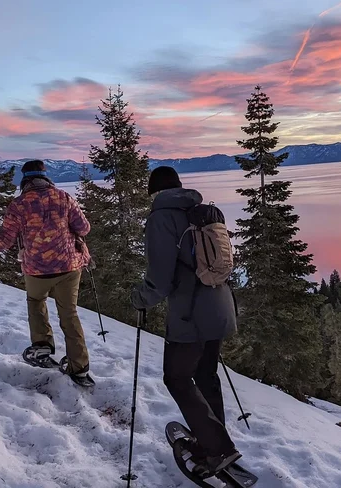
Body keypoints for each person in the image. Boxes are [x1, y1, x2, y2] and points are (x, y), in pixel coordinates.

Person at [131, 166, 241, 477]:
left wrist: (139, 298)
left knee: (177, 378)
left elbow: (160, 279)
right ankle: (214, 441)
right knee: (206, 374)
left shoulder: (161, 218)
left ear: (155, 191)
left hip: (190, 314)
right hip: (220, 305)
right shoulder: (202, 213)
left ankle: (217, 448)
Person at [0, 160, 95, 387]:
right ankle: (80, 367)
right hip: (69, 267)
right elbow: (84, 228)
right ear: (45, 177)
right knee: (69, 313)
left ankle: (42, 345)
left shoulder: (19, 204)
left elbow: (4, 240)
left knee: (36, 301)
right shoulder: (64, 197)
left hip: (37, 269)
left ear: (25, 179)